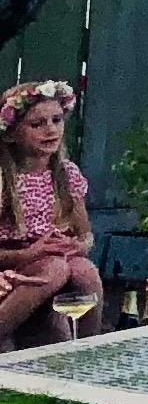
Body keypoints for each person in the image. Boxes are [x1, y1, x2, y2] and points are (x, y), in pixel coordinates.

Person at [0, 79, 101, 347]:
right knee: (54, 268)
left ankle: (90, 348)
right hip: (10, 265)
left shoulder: (66, 176)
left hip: (51, 260)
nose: (50, 130)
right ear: (11, 134)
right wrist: (28, 254)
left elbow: (86, 234)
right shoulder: (3, 181)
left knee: (84, 271)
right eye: (37, 124)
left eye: (57, 120)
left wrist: (75, 246)